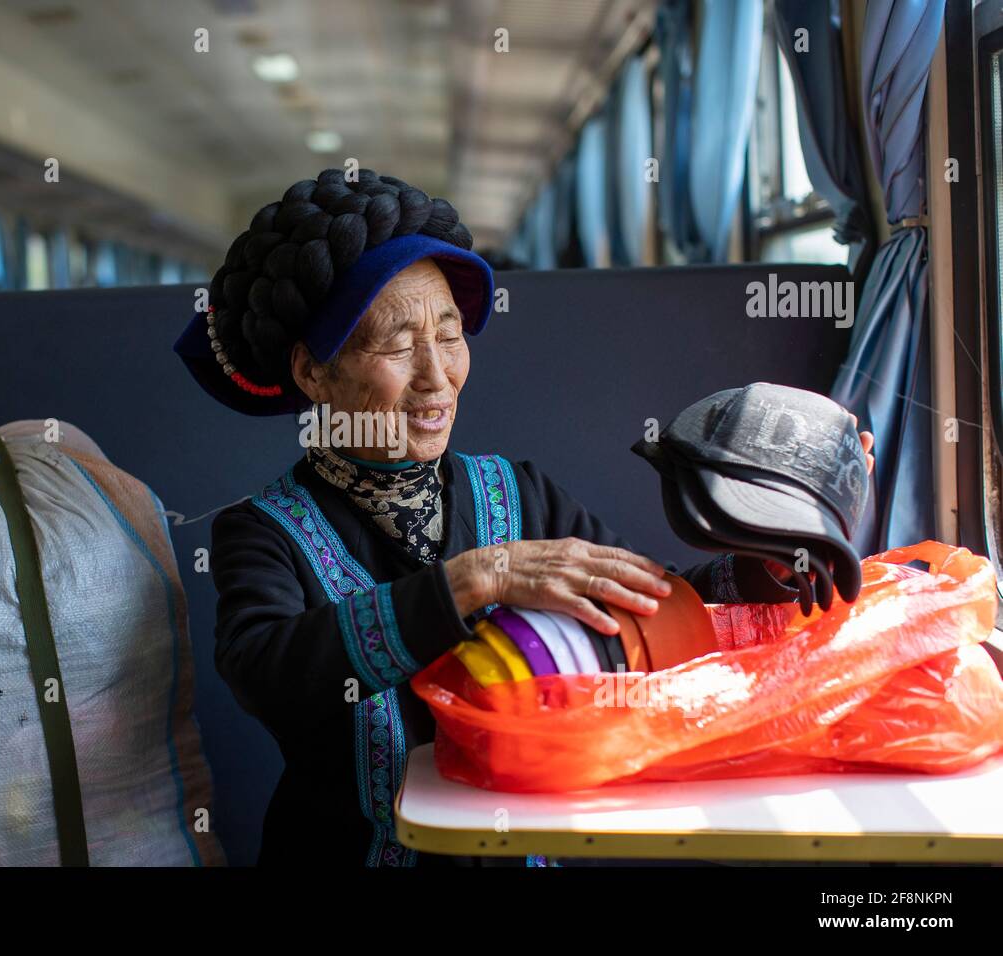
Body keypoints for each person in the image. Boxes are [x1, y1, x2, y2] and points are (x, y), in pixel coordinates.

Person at [173, 168, 876, 867]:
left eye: (449, 335)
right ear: (312, 372)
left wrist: (770, 564)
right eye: (395, 343)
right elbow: (266, 673)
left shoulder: (515, 492)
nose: (436, 374)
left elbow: (647, 606)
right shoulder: (264, 529)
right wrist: (473, 581)